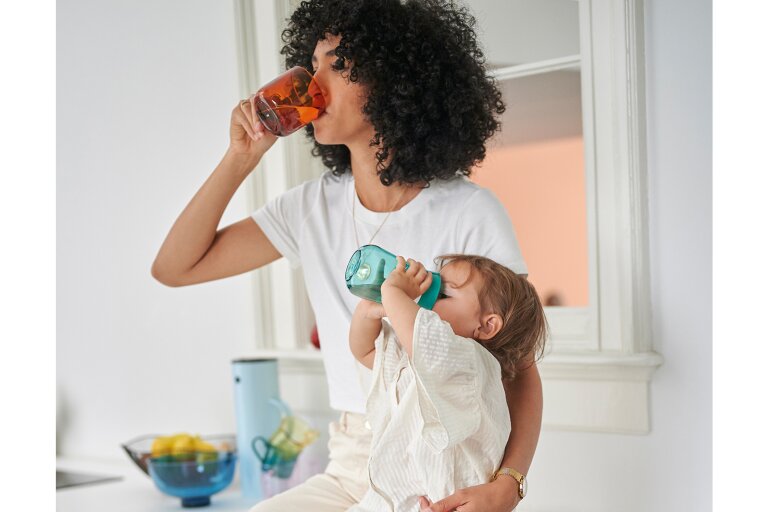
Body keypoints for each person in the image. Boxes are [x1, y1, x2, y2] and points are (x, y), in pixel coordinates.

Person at [151, 1, 544, 510]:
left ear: (396, 82)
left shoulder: (469, 210)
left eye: (335, 65)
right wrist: (240, 157)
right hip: (352, 461)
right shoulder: (308, 208)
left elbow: (519, 367)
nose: (311, 85)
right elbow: (175, 268)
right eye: (311, 65)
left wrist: (508, 484)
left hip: (444, 464)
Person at [348, 254, 547, 511]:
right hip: (390, 501)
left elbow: (422, 335)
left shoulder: (471, 363)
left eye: (442, 294)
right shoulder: (417, 357)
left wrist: (394, 291)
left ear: (487, 326)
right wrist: (367, 311)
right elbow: (366, 351)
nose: (427, 294)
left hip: (449, 504)